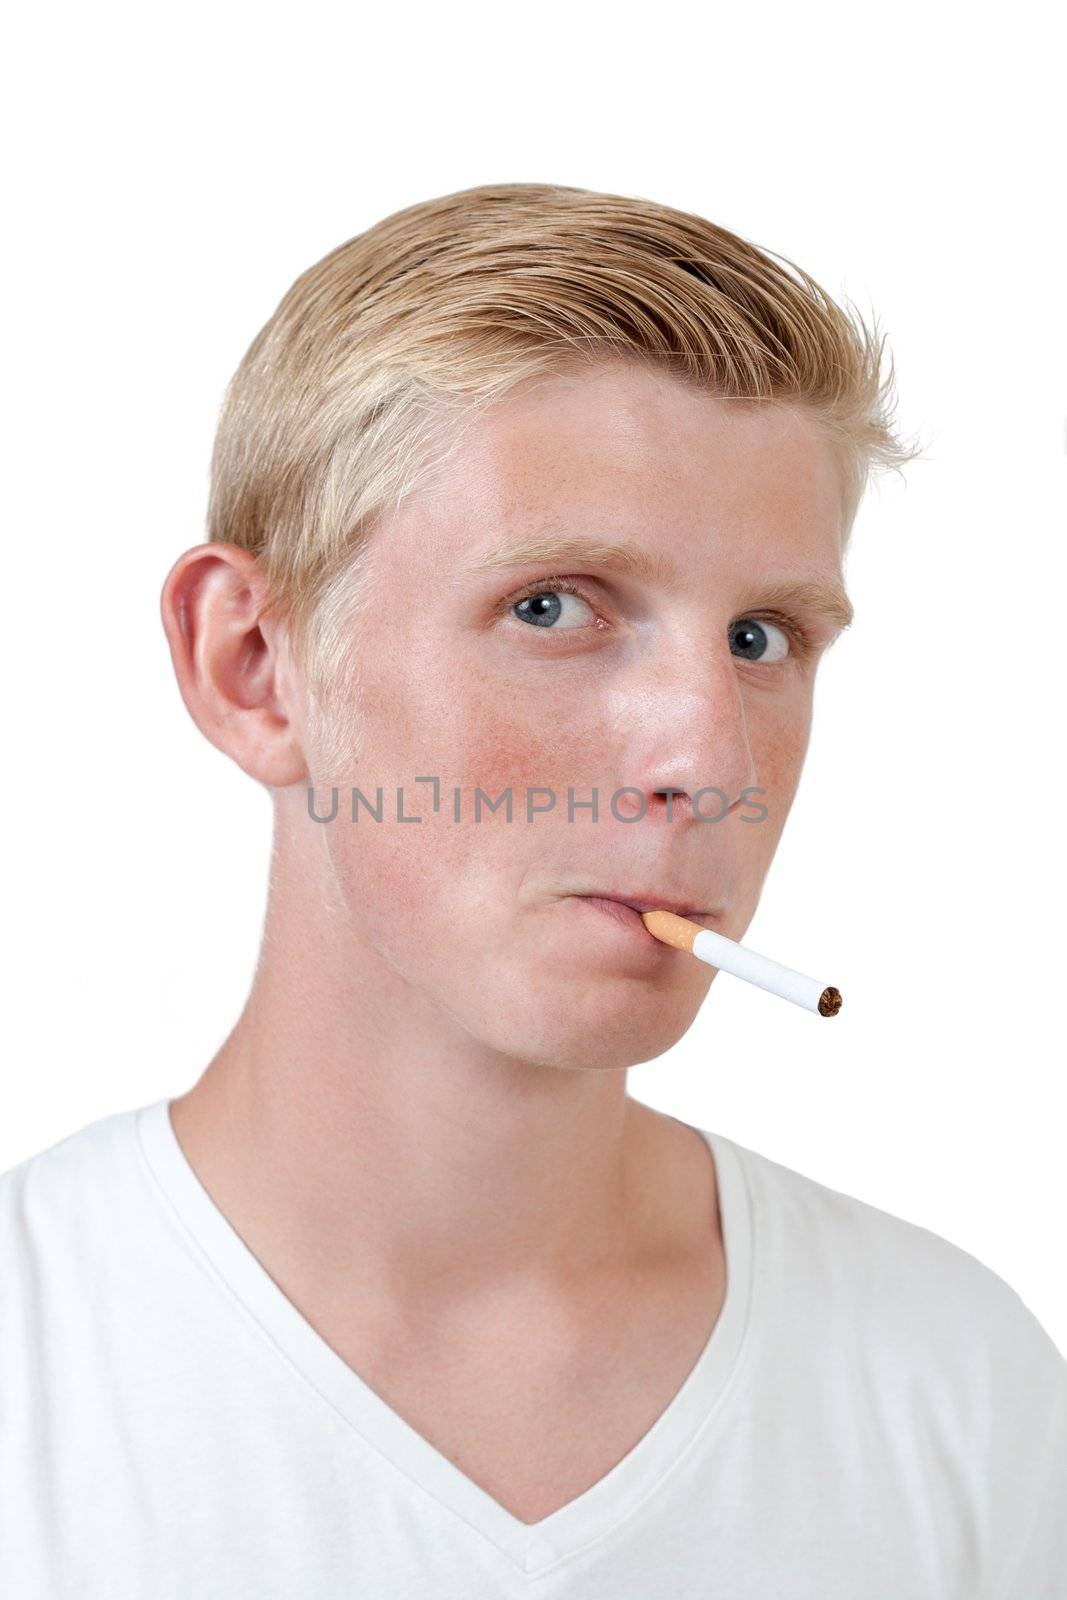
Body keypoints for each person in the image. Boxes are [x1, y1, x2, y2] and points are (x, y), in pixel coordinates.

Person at [2, 182, 1064, 1597]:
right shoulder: (37, 1372)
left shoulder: (953, 1382)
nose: (706, 755)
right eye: (553, 607)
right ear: (251, 666)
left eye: (764, 635)